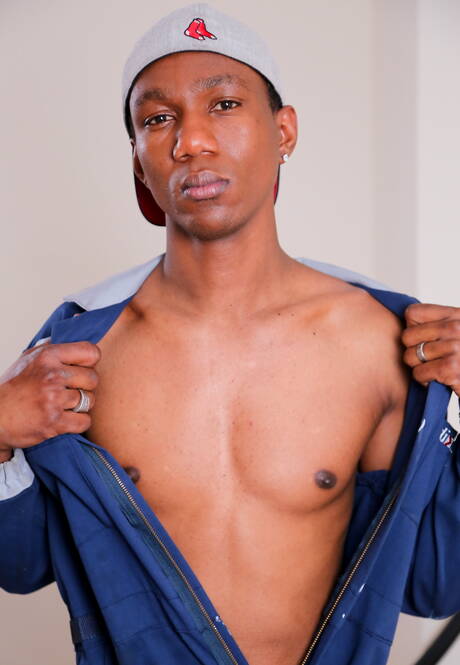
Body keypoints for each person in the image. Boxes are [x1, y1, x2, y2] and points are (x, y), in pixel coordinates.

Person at [1, 4, 459, 665]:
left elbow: (436, 581)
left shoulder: (378, 342)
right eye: (157, 119)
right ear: (138, 161)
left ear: (284, 130)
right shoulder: (78, 350)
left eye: (223, 104)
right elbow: (19, 566)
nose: (191, 141)